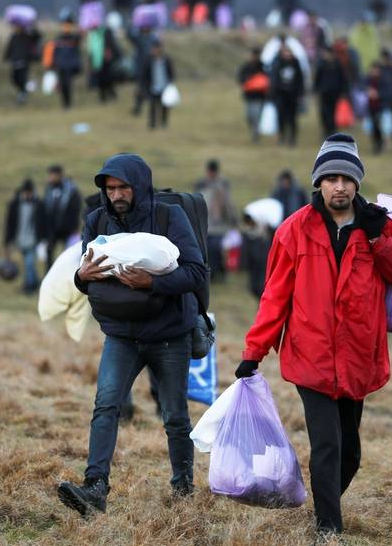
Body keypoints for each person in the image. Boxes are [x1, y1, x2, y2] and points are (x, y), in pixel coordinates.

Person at [237, 134, 392, 537]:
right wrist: (255, 350)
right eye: (331, 177)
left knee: (350, 452)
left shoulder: (378, 225)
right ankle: (327, 529)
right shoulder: (293, 230)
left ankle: (324, 502)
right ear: (318, 182)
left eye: (347, 178)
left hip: (357, 358)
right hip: (311, 357)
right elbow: (275, 295)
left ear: (357, 183)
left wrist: (378, 237)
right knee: (327, 445)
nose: (340, 186)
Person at [57, 153, 206, 516]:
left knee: (174, 415)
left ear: (139, 186)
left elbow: (196, 273)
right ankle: (95, 488)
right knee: (106, 405)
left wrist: (152, 282)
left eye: (123, 187)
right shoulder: (96, 221)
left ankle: (183, 489)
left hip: (170, 334)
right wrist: (81, 277)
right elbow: (83, 276)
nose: (116, 194)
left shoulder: (170, 216)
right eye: (110, 188)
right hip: (122, 335)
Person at [194, 160, 237, 282]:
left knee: (219, 249)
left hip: (221, 224)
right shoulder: (201, 183)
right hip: (207, 223)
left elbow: (229, 204)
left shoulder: (223, 184)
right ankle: (211, 274)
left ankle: (221, 273)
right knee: (208, 249)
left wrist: (233, 220)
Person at [4, 179, 47, 294]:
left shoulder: (39, 205)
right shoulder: (15, 205)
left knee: (29, 263)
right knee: (28, 264)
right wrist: (8, 241)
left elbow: (44, 223)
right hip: (20, 240)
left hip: (33, 240)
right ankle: (35, 283)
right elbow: (10, 224)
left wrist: (43, 239)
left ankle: (28, 287)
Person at [43, 165, 82, 270]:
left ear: (59, 175)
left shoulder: (71, 190)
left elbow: (76, 209)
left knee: (68, 254)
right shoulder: (49, 189)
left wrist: (74, 227)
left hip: (67, 229)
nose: (50, 178)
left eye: (53, 175)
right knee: (49, 252)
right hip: (52, 229)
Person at [271, 45, 304, 146]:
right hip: (281, 95)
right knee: (281, 117)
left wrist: (300, 94)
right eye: (285, 52)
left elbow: (300, 80)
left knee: (292, 118)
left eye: (288, 52)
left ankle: (292, 138)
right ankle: (282, 136)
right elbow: (274, 79)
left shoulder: (296, 63)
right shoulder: (278, 64)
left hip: (293, 96)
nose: (287, 54)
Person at [313, 46, 347, 138]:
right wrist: (316, 90)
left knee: (333, 113)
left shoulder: (338, 65)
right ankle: (326, 131)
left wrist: (343, 92)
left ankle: (332, 131)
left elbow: (343, 79)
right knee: (324, 113)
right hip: (324, 93)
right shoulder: (322, 65)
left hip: (335, 93)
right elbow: (317, 79)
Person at [3, 23, 41, 104]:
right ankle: (27, 88)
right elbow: (10, 47)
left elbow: (37, 37)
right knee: (15, 80)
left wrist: (33, 27)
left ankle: (23, 95)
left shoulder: (28, 36)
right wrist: (6, 57)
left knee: (22, 79)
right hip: (15, 62)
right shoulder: (14, 36)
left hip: (24, 62)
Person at [50, 14, 82, 109]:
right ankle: (64, 104)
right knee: (62, 86)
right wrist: (54, 63)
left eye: (68, 24)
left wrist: (76, 25)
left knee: (68, 85)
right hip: (60, 65)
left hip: (70, 65)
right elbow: (55, 52)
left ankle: (69, 104)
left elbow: (80, 35)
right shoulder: (58, 38)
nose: (66, 26)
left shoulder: (74, 38)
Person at [237, 47, 269, 142]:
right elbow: (240, 78)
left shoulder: (263, 66)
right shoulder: (246, 66)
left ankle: (256, 134)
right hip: (249, 96)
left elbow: (269, 79)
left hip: (260, 96)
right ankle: (254, 130)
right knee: (249, 116)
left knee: (257, 115)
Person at [142, 39, 174, 130]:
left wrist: (170, 84)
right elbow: (144, 75)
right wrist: (144, 87)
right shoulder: (148, 60)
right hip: (153, 87)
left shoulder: (166, 60)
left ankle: (164, 124)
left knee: (164, 107)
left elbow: (171, 73)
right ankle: (152, 124)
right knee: (152, 106)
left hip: (164, 87)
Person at [87, 23, 121, 103]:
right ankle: (103, 97)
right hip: (96, 60)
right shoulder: (91, 34)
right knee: (100, 79)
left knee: (108, 78)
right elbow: (91, 48)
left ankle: (111, 94)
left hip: (105, 59)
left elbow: (110, 43)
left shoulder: (104, 32)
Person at [128, 25, 155, 116]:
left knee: (151, 89)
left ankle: (151, 106)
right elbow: (129, 36)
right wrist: (131, 24)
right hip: (141, 68)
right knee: (140, 89)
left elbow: (159, 48)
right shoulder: (139, 38)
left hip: (151, 68)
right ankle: (137, 107)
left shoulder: (153, 38)